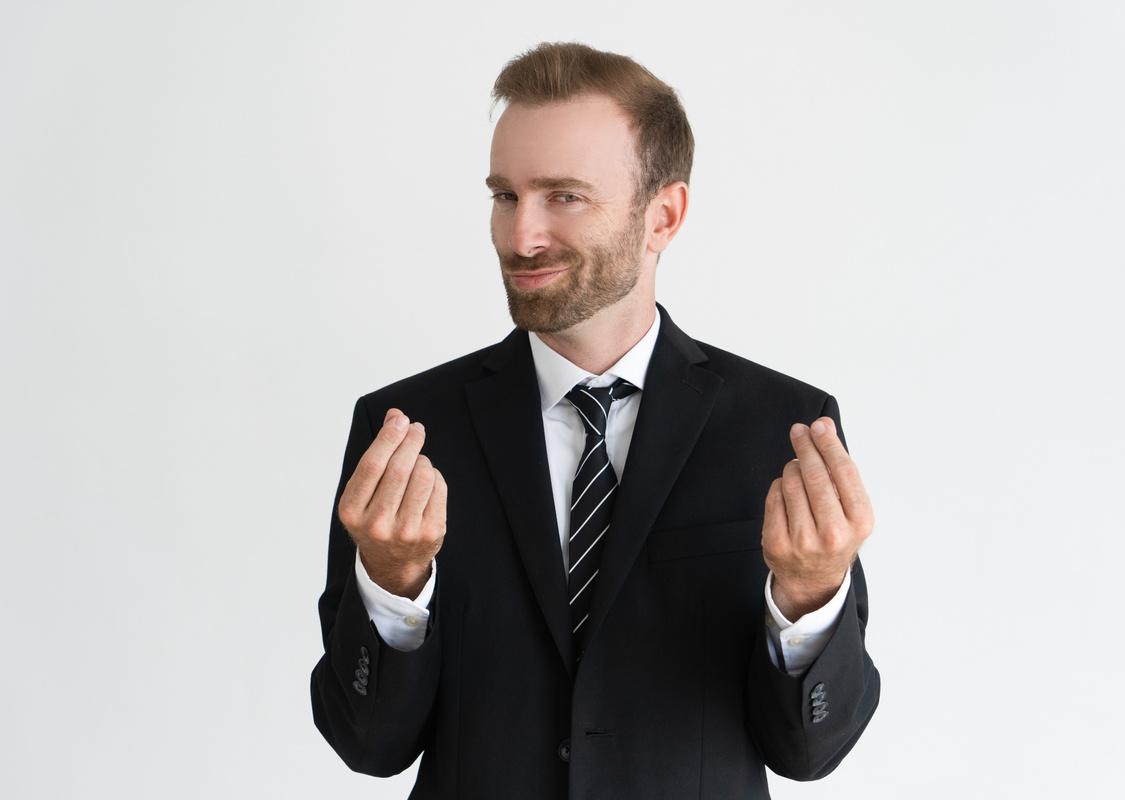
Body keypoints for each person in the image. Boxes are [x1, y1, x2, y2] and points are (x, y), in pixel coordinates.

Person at [312, 42, 879, 799]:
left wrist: (809, 596)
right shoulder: (409, 432)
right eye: (505, 196)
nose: (521, 237)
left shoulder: (785, 430)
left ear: (663, 216)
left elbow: (808, 752)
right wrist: (392, 587)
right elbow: (368, 745)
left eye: (564, 197)